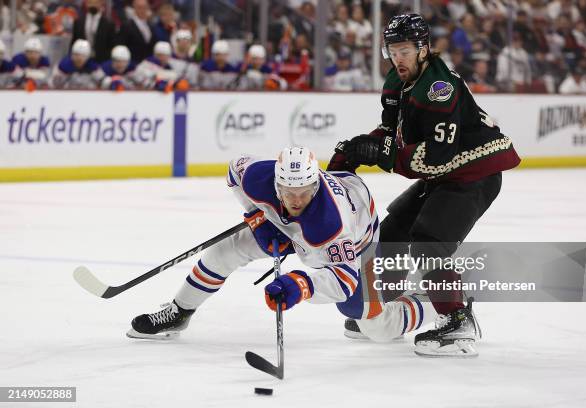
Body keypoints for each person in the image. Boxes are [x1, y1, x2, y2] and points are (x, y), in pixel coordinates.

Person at [327, 14, 521, 357]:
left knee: (430, 243)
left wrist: (384, 156)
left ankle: (458, 321)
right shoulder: (396, 81)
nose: (397, 57)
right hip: (447, 173)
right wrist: (357, 147)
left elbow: (438, 156)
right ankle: (382, 309)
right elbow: (392, 133)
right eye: (392, 50)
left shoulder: (439, 87)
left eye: (404, 50)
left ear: (423, 49)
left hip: (475, 173)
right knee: (391, 233)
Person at [128, 147, 435, 348]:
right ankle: (179, 312)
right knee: (227, 249)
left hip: (360, 234)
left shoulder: (332, 223)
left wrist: (299, 284)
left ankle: (436, 301)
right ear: (277, 184)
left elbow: (344, 281)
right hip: (298, 227)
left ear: (314, 185)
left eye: (303, 192)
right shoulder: (260, 176)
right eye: (288, 192)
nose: (296, 200)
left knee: (374, 326)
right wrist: (255, 215)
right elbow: (235, 171)